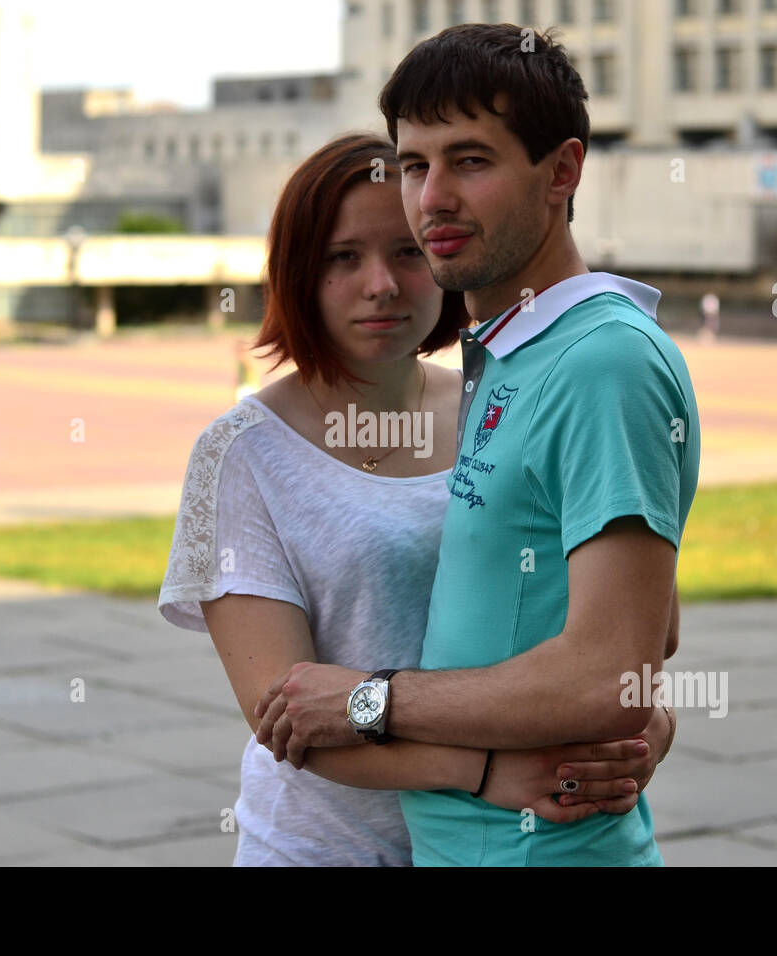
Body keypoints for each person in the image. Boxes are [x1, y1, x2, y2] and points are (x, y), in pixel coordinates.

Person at [158, 131, 677, 867]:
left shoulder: (501, 399)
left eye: (406, 251)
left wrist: (641, 718)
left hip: (504, 846)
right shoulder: (240, 454)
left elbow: (636, 621)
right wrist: (483, 772)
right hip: (326, 849)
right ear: (298, 274)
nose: (383, 284)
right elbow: (288, 715)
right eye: (343, 258)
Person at [253, 24, 701, 866]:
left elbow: (610, 673)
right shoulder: (507, 352)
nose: (432, 199)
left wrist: (364, 700)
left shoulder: (602, 360)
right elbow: (654, 629)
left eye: (471, 160)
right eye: (415, 164)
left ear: (561, 171)